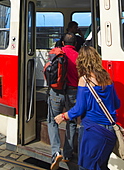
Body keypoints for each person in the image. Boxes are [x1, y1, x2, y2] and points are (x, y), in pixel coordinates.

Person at [55, 45, 120, 170]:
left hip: (93, 130)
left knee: (86, 167)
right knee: (101, 165)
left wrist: (63, 116)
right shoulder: (107, 78)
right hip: (110, 131)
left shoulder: (85, 80)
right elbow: (117, 103)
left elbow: (79, 108)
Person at [47, 33, 78, 170]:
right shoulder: (78, 56)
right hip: (72, 92)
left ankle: (55, 152)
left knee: (53, 120)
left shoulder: (57, 53)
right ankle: (67, 153)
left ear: (63, 43)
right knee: (71, 121)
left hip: (56, 92)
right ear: (75, 43)